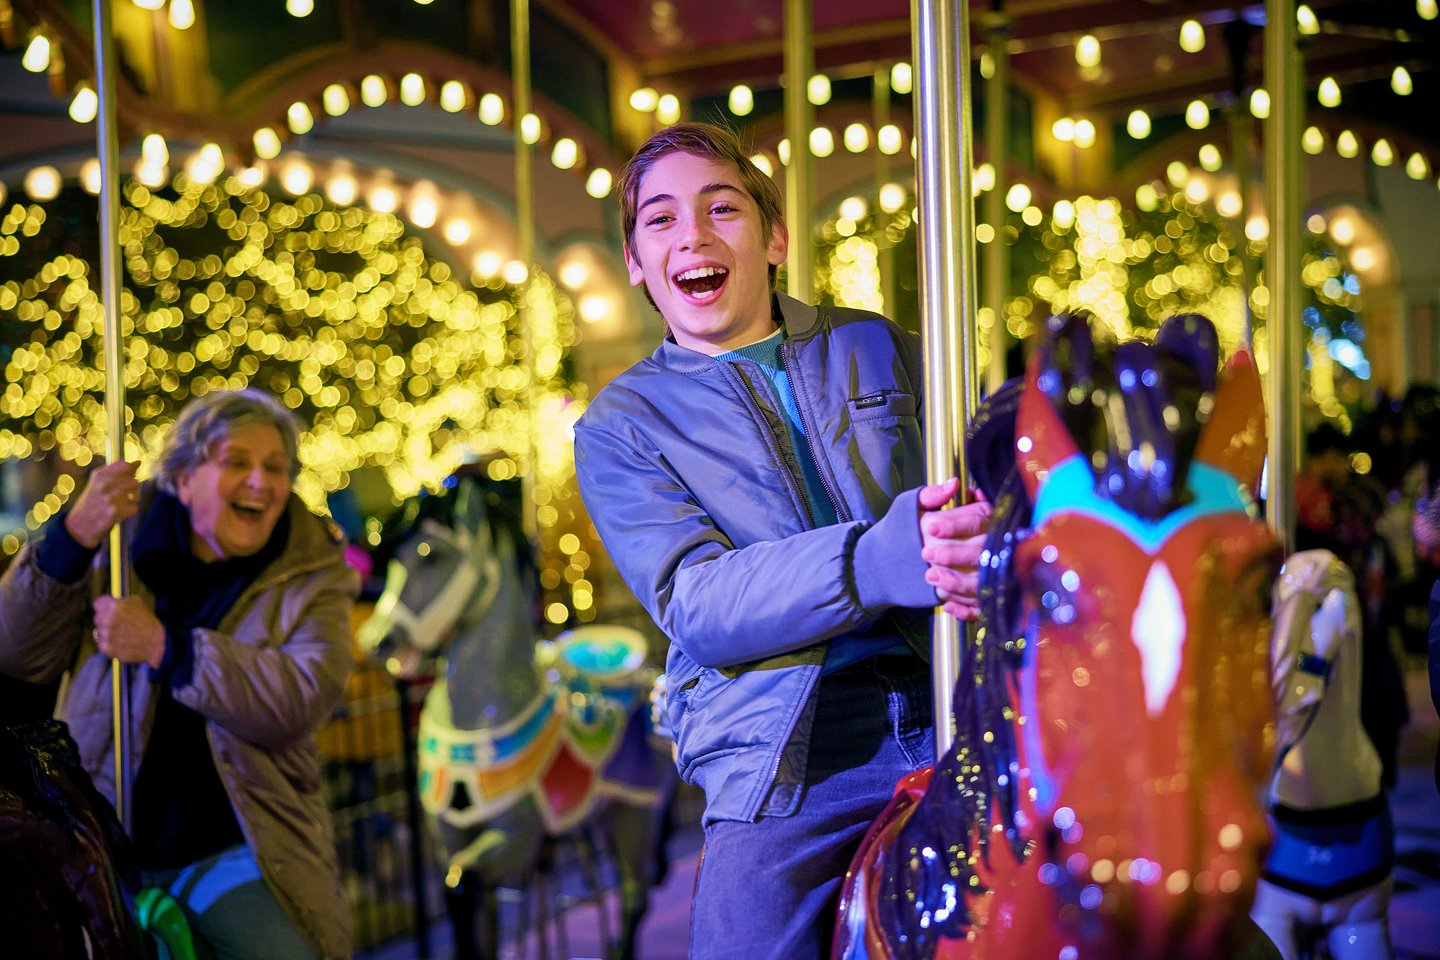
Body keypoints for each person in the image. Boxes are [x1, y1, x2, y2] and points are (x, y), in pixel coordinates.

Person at [573, 122, 990, 959]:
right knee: (741, 935)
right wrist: (872, 562)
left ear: (772, 236)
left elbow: (985, 474)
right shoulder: (622, 425)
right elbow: (698, 601)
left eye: (721, 207)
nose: (692, 233)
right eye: (660, 220)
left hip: (960, 689)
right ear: (635, 262)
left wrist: (986, 546)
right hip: (795, 748)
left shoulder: (876, 345)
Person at [0, 389, 357, 959]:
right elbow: (14, 653)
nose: (261, 483)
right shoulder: (118, 545)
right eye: (237, 462)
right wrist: (73, 537)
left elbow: (300, 697)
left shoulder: (311, 573)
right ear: (184, 478)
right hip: (103, 839)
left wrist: (168, 647)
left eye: (276, 468)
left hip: (230, 849)